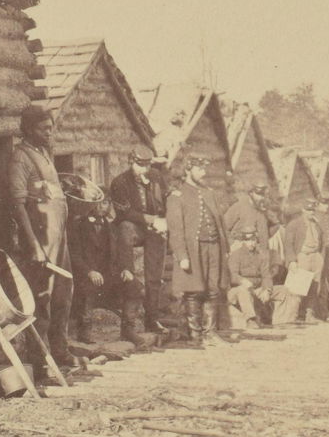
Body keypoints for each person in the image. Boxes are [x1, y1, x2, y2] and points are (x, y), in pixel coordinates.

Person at [8, 106, 74, 377]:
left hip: (59, 238)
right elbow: (18, 205)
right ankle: (40, 360)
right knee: (43, 296)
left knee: (63, 292)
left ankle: (60, 351)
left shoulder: (45, 153)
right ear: (28, 130)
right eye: (42, 128)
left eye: (50, 127)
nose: (49, 132)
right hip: (41, 240)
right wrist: (34, 245)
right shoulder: (20, 159)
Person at [166, 152, 231, 349]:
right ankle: (194, 334)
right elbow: (176, 229)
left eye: (204, 168)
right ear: (188, 169)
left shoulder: (209, 192)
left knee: (213, 289)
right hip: (193, 249)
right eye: (199, 168)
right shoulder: (177, 195)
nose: (204, 172)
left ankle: (210, 333)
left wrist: (225, 248)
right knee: (193, 291)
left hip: (213, 248)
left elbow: (220, 223)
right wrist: (182, 255)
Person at [108, 144, 169, 340]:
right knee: (125, 227)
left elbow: (165, 199)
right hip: (133, 227)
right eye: (140, 165)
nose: (144, 169)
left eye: (147, 165)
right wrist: (151, 220)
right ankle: (129, 324)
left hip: (153, 229)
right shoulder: (120, 182)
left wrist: (162, 220)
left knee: (154, 275)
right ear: (131, 162)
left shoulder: (155, 177)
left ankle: (152, 318)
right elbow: (124, 212)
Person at [62, 174, 114, 346]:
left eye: (105, 203)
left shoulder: (109, 226)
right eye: (98, 203)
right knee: (86, 290)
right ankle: (84, 332)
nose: (101, 207)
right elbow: (75, 254)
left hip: (105, 272)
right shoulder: (80, 225)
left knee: (134, 288)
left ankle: (129, 328)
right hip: (85, 273)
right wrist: (89, 271)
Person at [275, 200, 324, 325]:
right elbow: (288, 244)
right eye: (308, 210)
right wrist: (291, 261)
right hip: (302, 255)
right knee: (298, 286)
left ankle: (309, 314)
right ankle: (292, 315)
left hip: (315, 256)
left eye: (312, 210)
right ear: (303, 210)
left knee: (314, 286)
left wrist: (321, 256)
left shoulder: (317, 224)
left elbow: (322, 241)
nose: (311, 212)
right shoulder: (294, 224)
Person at [227, 228, 274, 329]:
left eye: (254, 240)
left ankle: (283, 319)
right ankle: (250, 320)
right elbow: (232, 275)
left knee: (284, 291)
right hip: (237, 291)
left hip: (257, 289)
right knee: (243, 290)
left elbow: (266, 275)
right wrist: (242, 281)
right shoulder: (236, 255)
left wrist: (267, 289)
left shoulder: (261, 256)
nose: (251, 243)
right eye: (248, 240)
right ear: (243, 241)